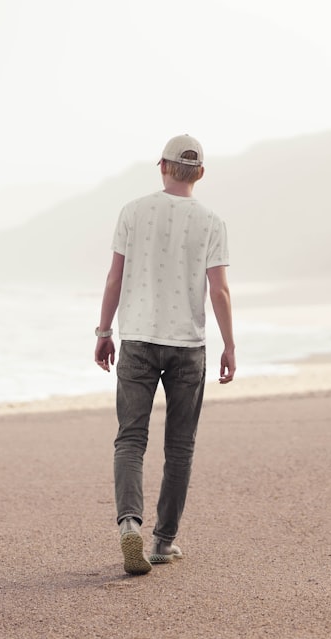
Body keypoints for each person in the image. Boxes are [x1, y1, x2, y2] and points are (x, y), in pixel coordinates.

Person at [94, 134, 235, 575]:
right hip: (188, 347)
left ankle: (130, 524)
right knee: (180, 447)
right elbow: (219, 289)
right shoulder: (211, 221)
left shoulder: (133, 212)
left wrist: (103, 331)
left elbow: (114, 279)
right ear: (201, 173)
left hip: (136, 338)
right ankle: (162, 542)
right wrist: (230, 344)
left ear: (162, 166)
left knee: (131, 439)